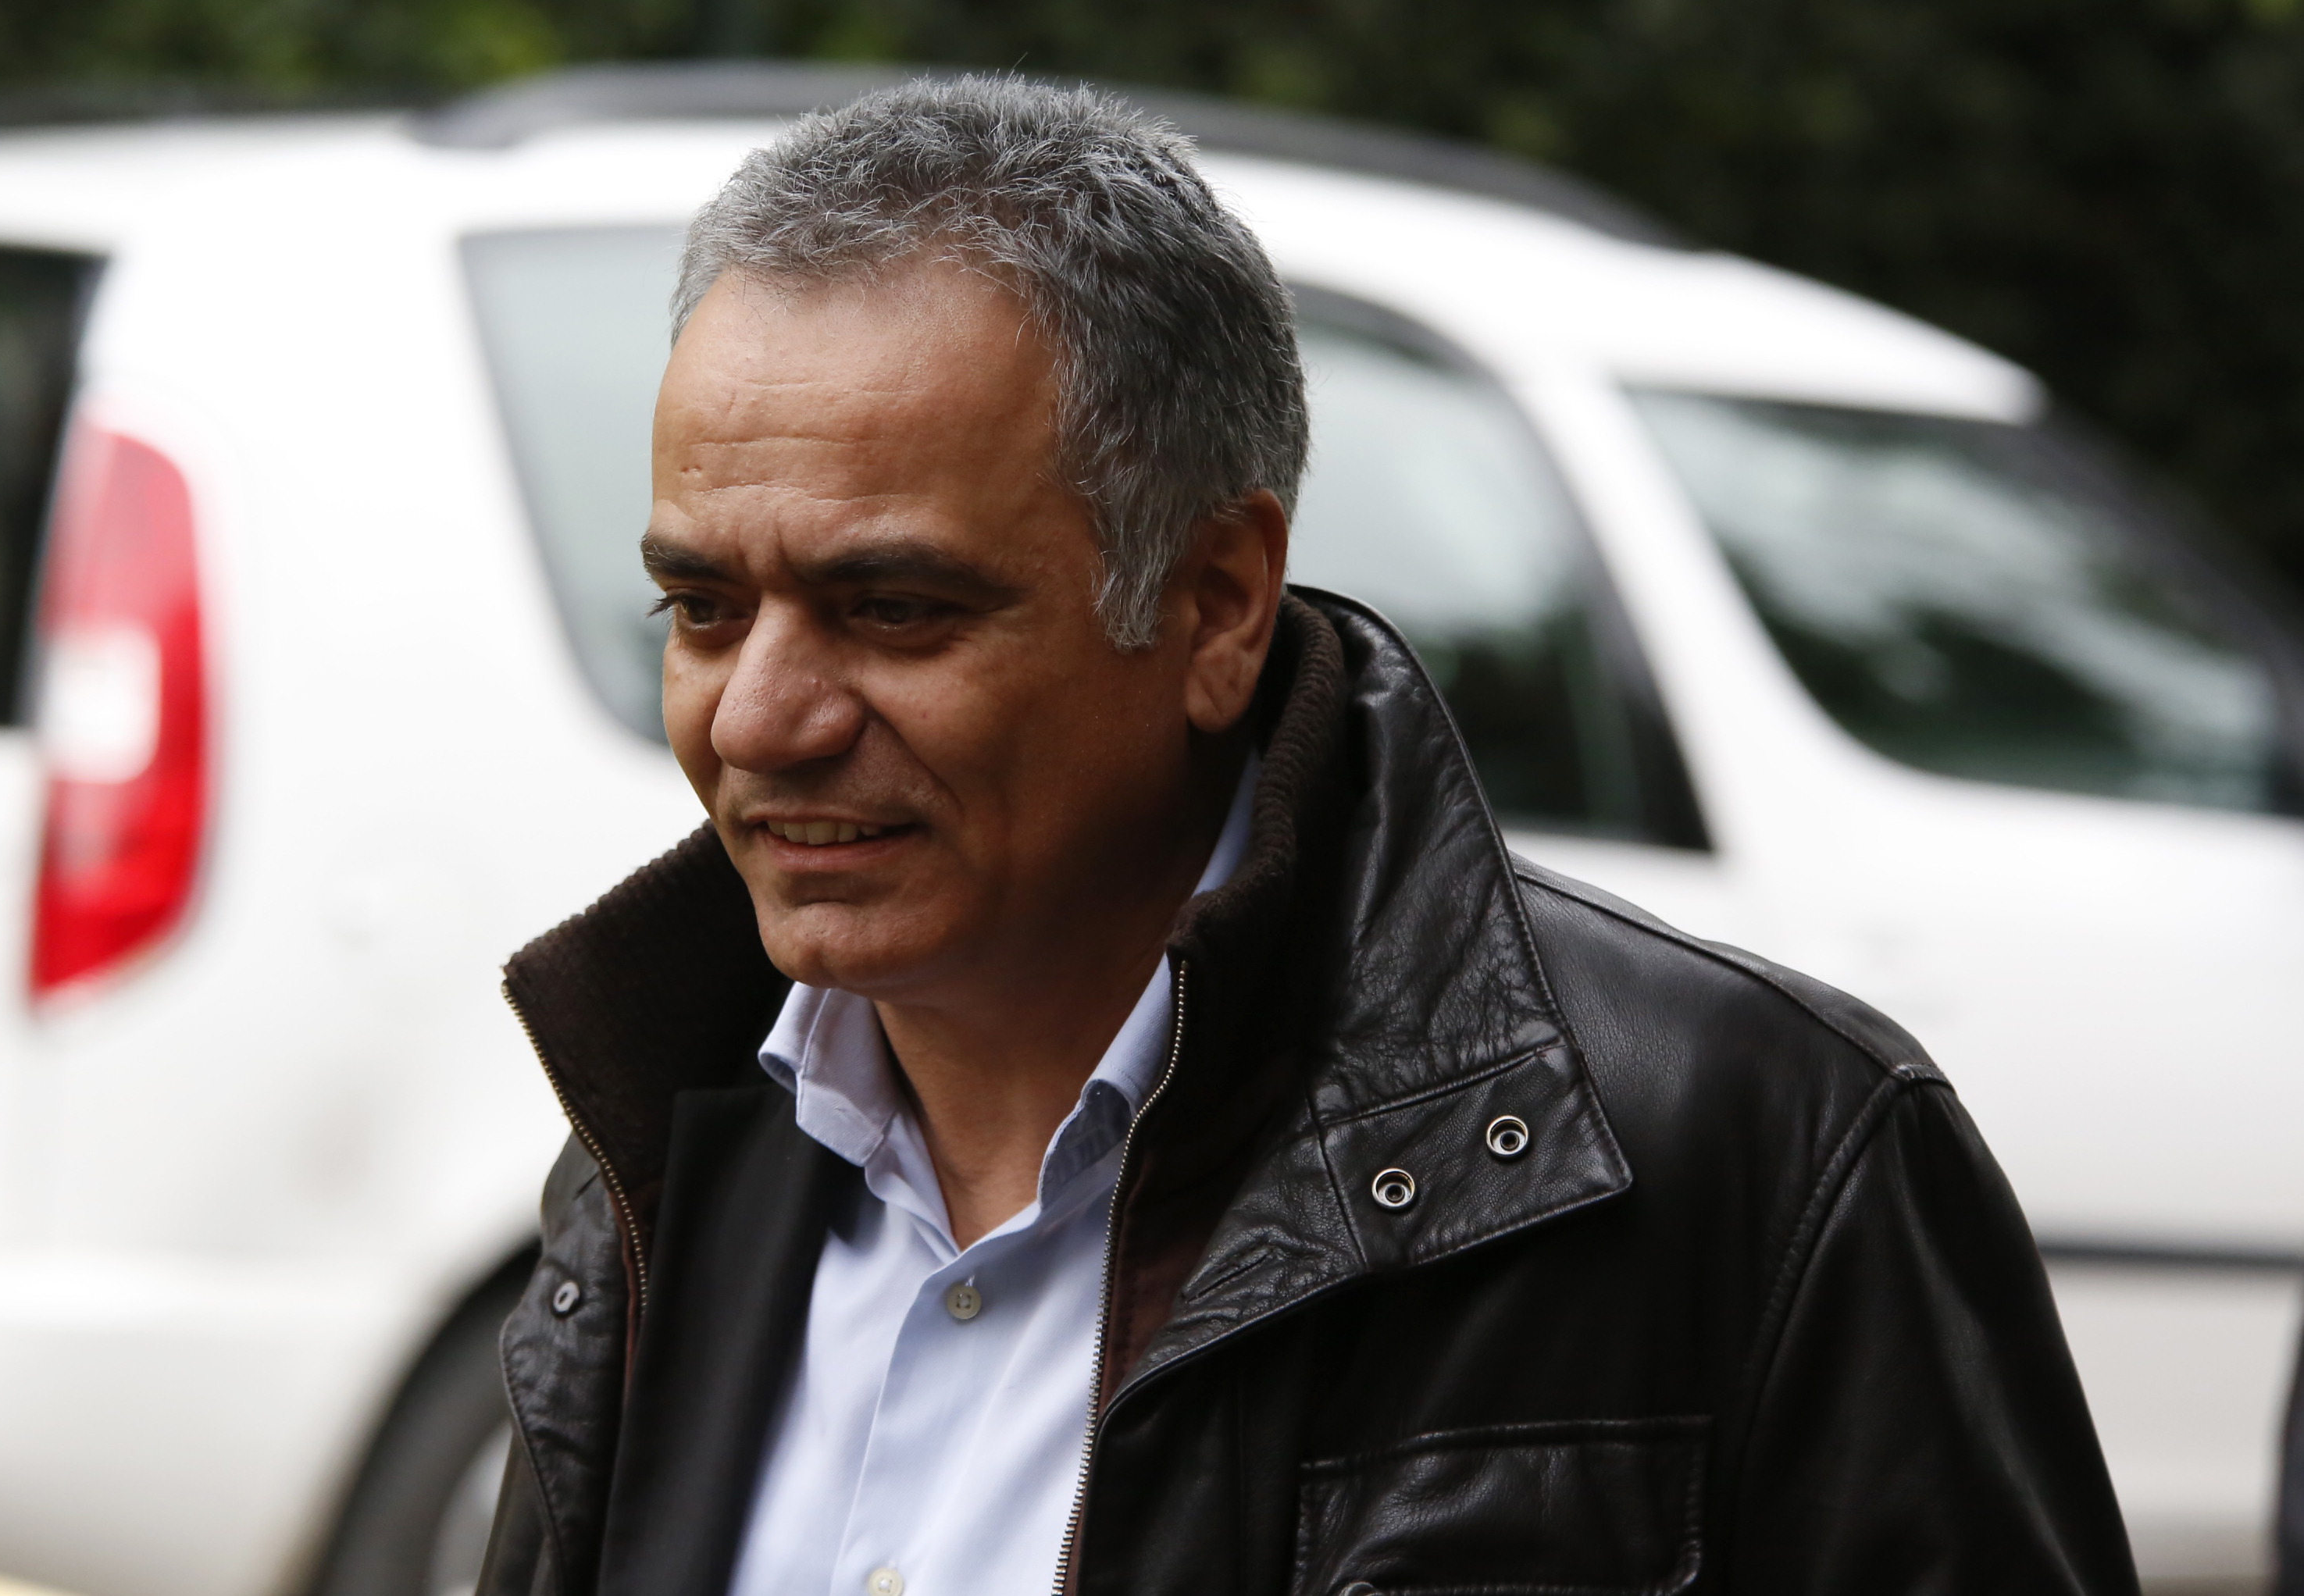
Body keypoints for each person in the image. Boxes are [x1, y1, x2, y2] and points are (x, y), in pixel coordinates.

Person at [476, 74, 2138, 1596]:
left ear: (1215, 605)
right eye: (702, 607)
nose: (759, 720)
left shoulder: (1756, 1150)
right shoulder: (657, 1162)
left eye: (894, 609)